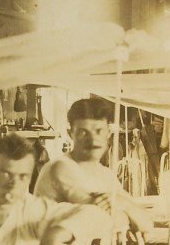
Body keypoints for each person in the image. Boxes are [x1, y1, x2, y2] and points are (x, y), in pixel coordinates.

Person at [33, 97, 153, 234]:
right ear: (70, 134)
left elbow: (147, 225)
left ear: (108, 133)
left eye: (99, 131)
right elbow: (107, 219)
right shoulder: (62, 167)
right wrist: (127, 214)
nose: (92, 139)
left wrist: (124, 204)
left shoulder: (105, 174)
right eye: (83, 132)